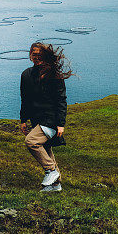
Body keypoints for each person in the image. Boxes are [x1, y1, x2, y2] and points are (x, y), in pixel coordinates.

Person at [20, 41, 73, 192]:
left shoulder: (55, 75)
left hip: (51, 119)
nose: (36, 57)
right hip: (37, 119)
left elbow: (61, 100)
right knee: (46, 149)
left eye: (39, 54)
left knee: (31, 141)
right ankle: (55, 186)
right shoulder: (26, 75)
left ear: (45, 55)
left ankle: (51, 171)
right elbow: (25, 99)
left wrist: (61, 124)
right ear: (30, 56)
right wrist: (23, 120)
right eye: (33, 54)